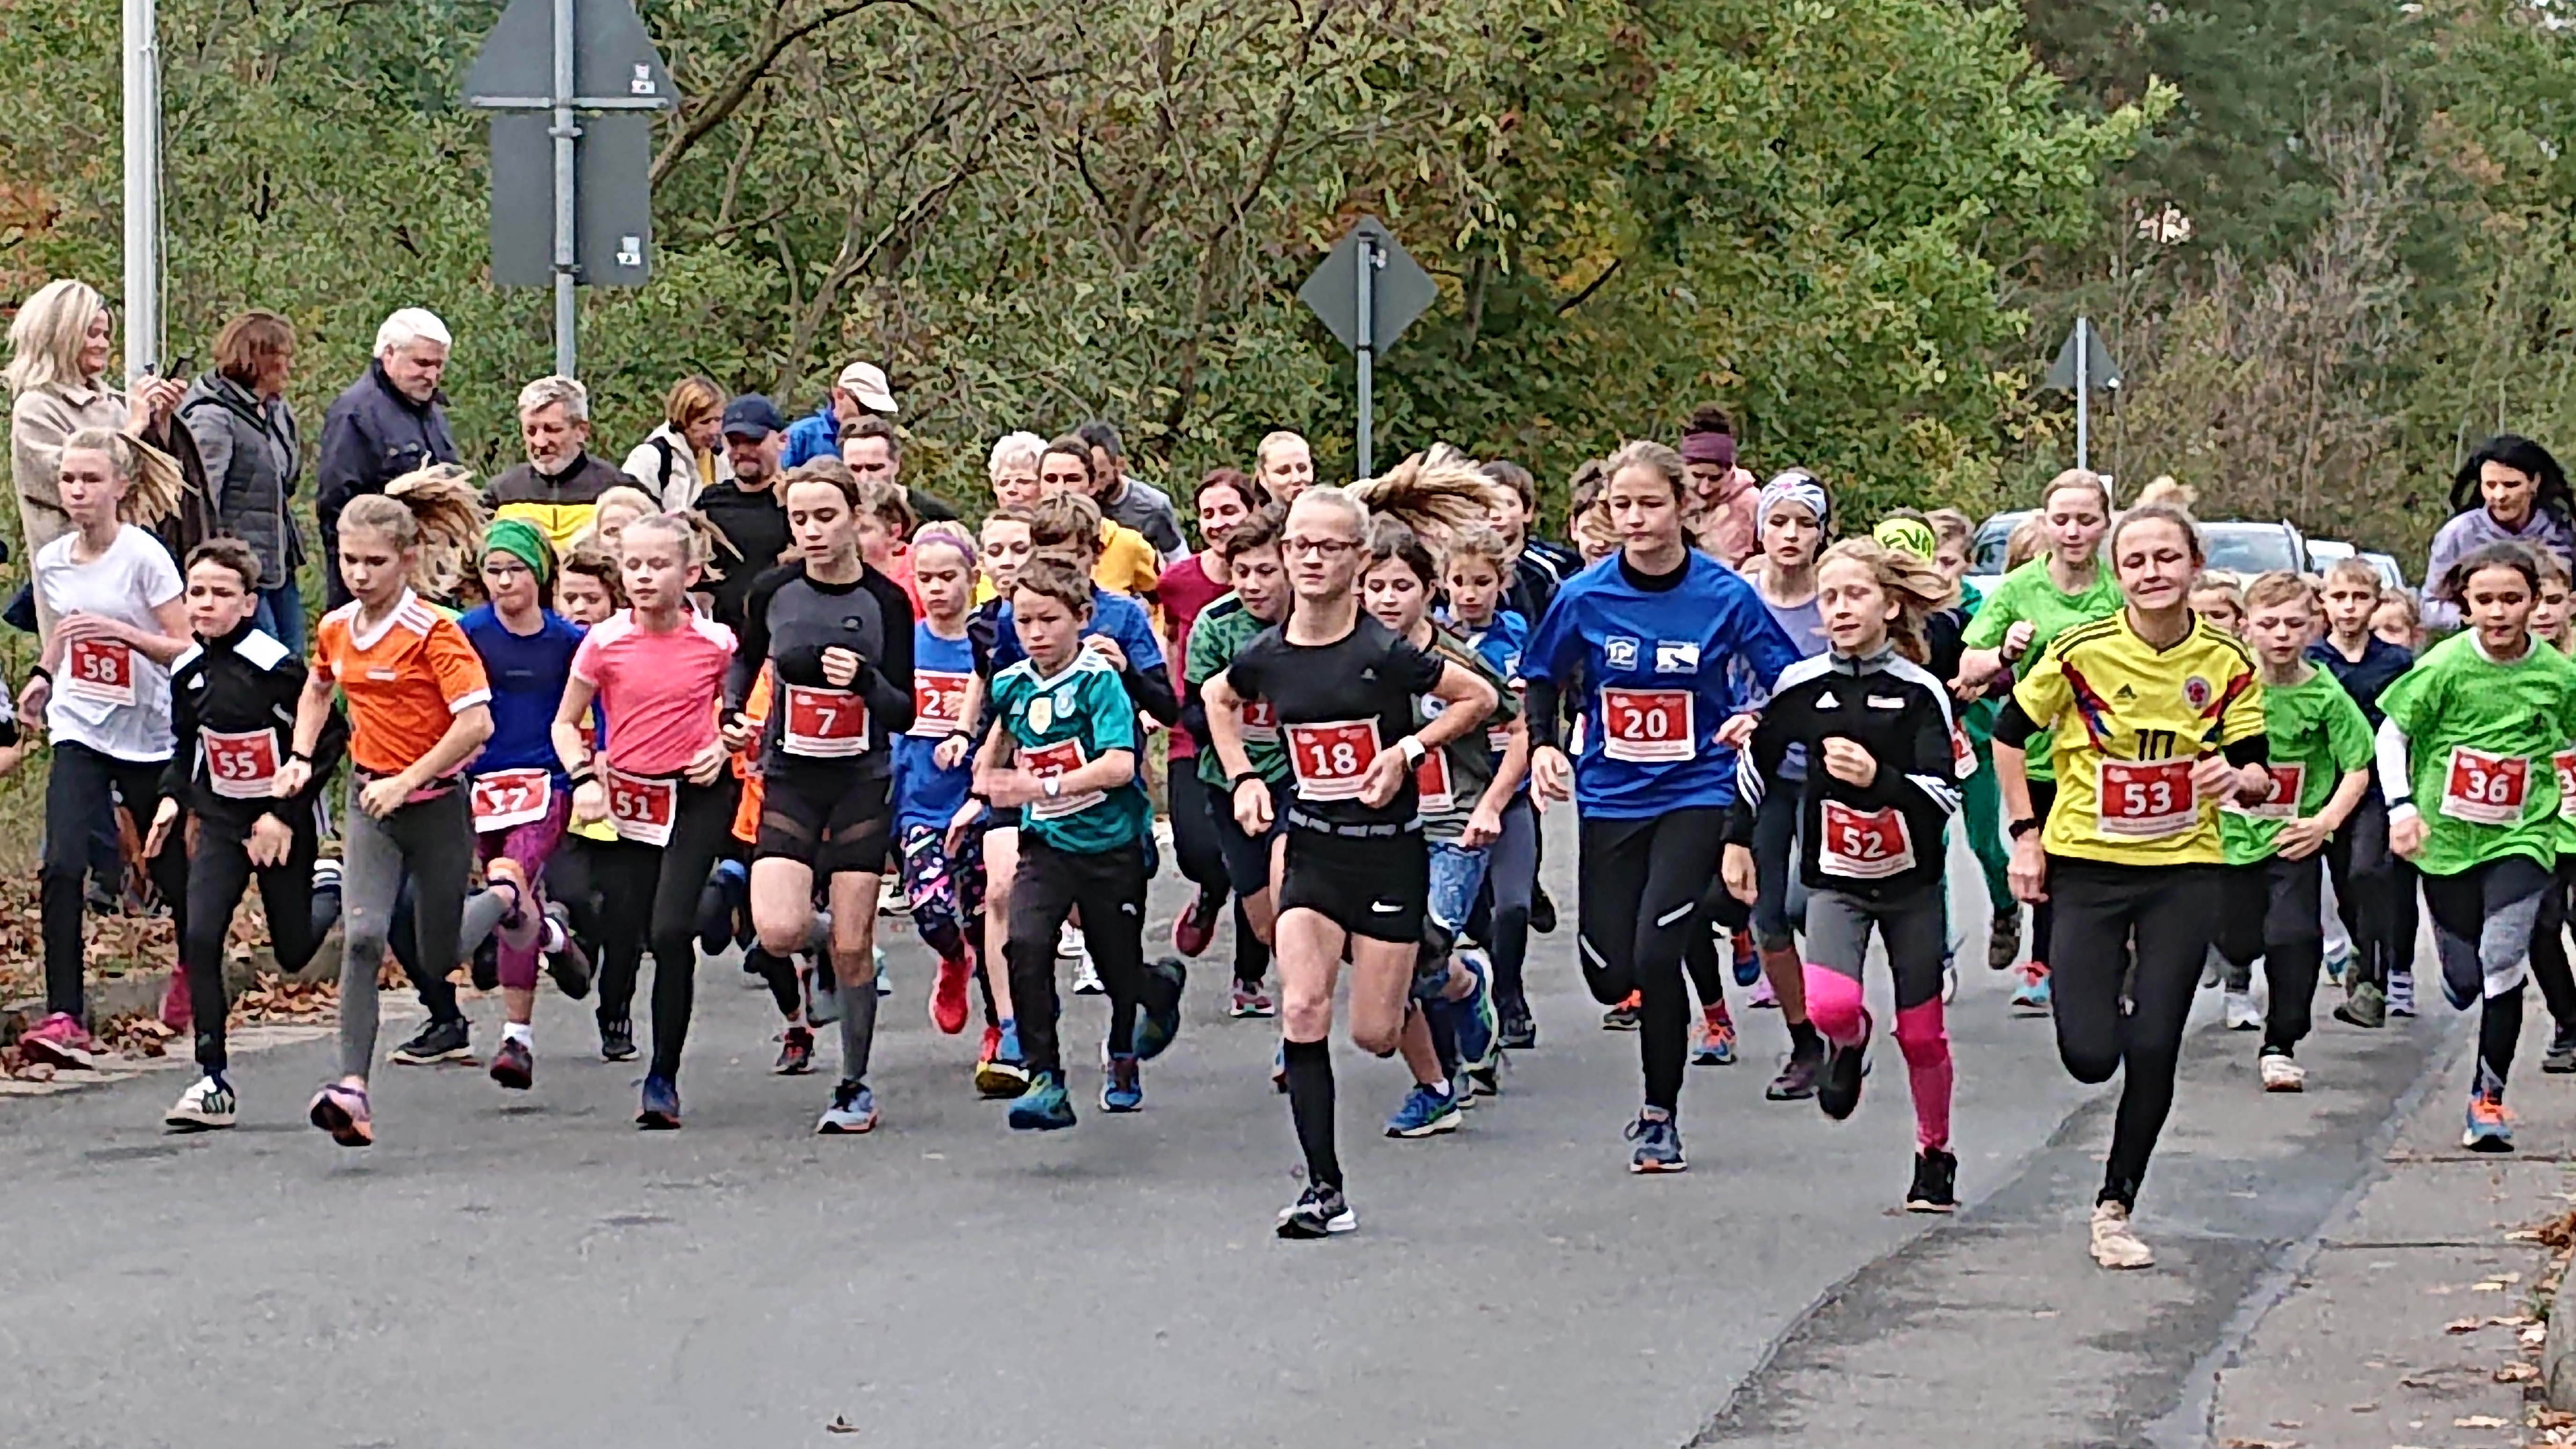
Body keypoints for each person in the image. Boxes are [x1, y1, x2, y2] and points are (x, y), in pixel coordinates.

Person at [1203, 479, 1497, 1237]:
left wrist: (1405, 749)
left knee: (1372, 1033)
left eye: (1327, 547)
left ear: (1358, 559)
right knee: (1301, 1005)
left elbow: (1478, 700)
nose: (1308, 560)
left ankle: (1455, 974)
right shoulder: (1266, 653)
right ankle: (1323, 1190)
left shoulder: (1383, 652)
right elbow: (1215, 699)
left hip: (1389, 857)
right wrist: (1241, 777)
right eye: (1297, 545)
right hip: (1311, 852)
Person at [1991, 500, 2273, 1269]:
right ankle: (2107, 983)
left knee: (2153, 1045)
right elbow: (2007, 737)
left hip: (2183, 868)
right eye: (2136, 562)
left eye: (2165, 559)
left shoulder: (2225, 660)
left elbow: (2257, 769)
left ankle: (2114, 1206)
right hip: (2086, 861)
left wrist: (2236, 778)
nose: (2151, 573)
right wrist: (2023, 836)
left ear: (2192, 567)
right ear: (2117, 575)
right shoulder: (2079, 651)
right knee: (2088, 1054)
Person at [1522, 440, 1800, 1174]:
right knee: (1612, 974)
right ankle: (1648, 1005)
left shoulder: (1724, 595)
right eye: (1621, 506)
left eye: (1650, 504)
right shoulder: (1584, 595)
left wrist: (1758, 718)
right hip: (1611, 793)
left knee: (1659, 949)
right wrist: (1546, 746)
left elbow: (1785, 681)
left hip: (1695, 791)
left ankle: (1659, 1114)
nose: (1635, 519)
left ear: (1685, 506)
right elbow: (1543, 676)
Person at [1723, 537, 1964, 1211]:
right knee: (1831, 1007)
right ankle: (1847, 1047)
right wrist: (1735, 843)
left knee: (1921, 1035)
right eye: (1829, 598)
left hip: (1912, 885)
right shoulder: (1802, 686)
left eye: (1856, 595)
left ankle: (1934, 1152)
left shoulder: (1919, 693)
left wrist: (1883, 782)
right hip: (1836, 878)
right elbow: (1756, 768)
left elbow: (1945, 793)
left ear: (1890, 606)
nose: (1840, 609)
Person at [278, 469, 518, 1146]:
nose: (359, 574)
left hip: (436, 806)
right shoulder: (336, 628)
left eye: (375, 563)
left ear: (408, 561)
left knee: (437, 955)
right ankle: (351, 1089)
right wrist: (301, 758)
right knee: (361, 938)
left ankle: (504, 899)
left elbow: (477, 726)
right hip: (370, 802)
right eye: (349, 560)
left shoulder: (434, 633)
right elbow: (318, 689)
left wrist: (409, 780)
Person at [725, 465, 917, 1134]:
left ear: (854, 518)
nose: (812, 532)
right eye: (800, 519)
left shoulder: (887, 602)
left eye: (825, 518)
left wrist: (865, 680)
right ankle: (835, 953)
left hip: (861, 780)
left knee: (854, 940)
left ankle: (854, 1084)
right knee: (776, 931)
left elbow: (905, 710)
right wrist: (730, 709)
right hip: (790, 775)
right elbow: (745, 659)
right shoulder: (774, 590)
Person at [2378, 542, 2576, 1152]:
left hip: (2524, 833)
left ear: (2535, 602)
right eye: (2485, 599)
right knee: (2466, 976)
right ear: (2464, 604)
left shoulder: (2559, 676)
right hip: (2447, 836)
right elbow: (2393, 735)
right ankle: (2455, 953)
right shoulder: (2443, 666)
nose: (2498, 612)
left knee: (2504, 959)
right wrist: (2402, 807)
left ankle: (2486, 1101)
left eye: (2512, 599)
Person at [977, 556, 1184, 1128]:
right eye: (1024, 623)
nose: (1036, 635)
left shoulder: (1100, 683)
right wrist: (984, 780)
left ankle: (1145, 1009)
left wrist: (1040, 783)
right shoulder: (1011, 684)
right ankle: (1046, 1077)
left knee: (1117, 967)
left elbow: (1119, 766)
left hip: (1111, 844)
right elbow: (992, 749)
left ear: (1082, 618)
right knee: (1024, 942)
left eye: (1049, 621)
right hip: (1046, 842)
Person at [147, 539, 347, 1128]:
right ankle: (211, 1079)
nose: (205, 605)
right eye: (196, 593)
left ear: (250, 602)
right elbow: (187, 747)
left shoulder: (276, 668)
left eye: (220, 594)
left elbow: (331, 742)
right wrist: (169, 798)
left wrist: (283, 815)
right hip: (221, 822)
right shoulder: (186, 670)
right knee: (201, 937)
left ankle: (328, 889)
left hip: (277, 823)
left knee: (291, 952)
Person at [10, 429, 194, 1068]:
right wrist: (41, 679)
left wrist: (122, 634)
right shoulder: (55, 560)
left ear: (121, 486)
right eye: (68, 481)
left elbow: (187, 645)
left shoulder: (145, 558)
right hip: (79, 725)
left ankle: (196, 968)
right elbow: (63, 636)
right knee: (62, 863)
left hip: (145, 732)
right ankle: (66, 1013)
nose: (78, 492)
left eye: (90, 480)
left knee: (167, 870)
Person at [553, 513, 742, 1128]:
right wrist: (583, 776)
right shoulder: (605, 642)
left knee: (668, 932)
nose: (643, 576)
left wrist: (726, 743)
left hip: (694, 793)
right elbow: (565, 722)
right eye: (633, 565)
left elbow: (744, 712)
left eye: (658, 565)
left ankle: (663, 1076)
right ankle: (720, 896)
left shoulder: (715, 643)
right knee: (626, 924)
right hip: (630, 796)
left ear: (688, 573)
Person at [1358, 518, 1515, 1136]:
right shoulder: (1354, 655)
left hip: (1454, 824)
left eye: (1402, 586)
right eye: (1376, 587)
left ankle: (1446, 1050)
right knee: (1403, 958)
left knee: (1423, 953)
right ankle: (1464, 992)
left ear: (1429, 591)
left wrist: (1492, 805)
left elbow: (1521, 726)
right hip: (1384, 832)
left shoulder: (1457, 661)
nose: (1388, 599)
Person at [1954, 469, 2124, 1012]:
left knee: (2102, 866)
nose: (2072, 531)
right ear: (2044, 525)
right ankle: (2044, 964)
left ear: (2103, 525)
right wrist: (2004, 652)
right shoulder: (2020, 587)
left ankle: (2109, 959)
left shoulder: (2119, 587)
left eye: (2085, 520)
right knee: (2048, 859)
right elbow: (1969, 664)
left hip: (2107, 753)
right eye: (2061, 520)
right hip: (2035, 751)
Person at [2211, 572, 2373, 1091]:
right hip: (2223, 840)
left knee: (2294, 937)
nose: (2280, 635)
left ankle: (2280, 1043)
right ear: (2245, 628)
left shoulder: (2324, 693)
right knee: (2237, 941)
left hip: (2291, 838)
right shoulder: (2224, 686)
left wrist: (2324, 822)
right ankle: (2233, 958)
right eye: (2268, 624)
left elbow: (2357, 765)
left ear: (2313, 628)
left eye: (2293, 624)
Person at [460, 519, 594, 1091]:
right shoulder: (468, 634)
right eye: (493, 571)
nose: (504, 582)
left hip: (546, 781)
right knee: (515, 901)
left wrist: (594, 767)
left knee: (509, 883)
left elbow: (596, 702)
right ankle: (555, 941)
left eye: (515, 570)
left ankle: (518, 1038)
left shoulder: (567, 641)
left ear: (538, 575)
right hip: (483, 781)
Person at [1733, 468, 1836, 1096]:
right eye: (1778, 522)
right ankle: (1805, 1043)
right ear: (1760, 528)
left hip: (1830, 776)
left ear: (1823, 534)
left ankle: (1837, 1015)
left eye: (1804, 523)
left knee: (1807, 903)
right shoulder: (1739, 594)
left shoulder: (1836, 594)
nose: (1790, 535)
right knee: (1768, 915)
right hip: (1764, 775)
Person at [7, 279, 188, 634]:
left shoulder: (114, 403)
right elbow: (72, 484)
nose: (103, 345)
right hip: (78, 576)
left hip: (132, 569)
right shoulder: (37, 408)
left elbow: (143, 488)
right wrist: (134, 428)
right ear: (61, 334)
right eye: (92, 333)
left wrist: (160, 424)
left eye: (106, 334)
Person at [1184, 503, 1292, 1019]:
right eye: (1240, 572)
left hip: (1299, 779)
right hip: (1229, 780)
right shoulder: (1215, 624)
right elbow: (1189, 709)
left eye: (1264, 572)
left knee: (1291, 891)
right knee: (1265, 919)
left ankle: (1300, 1024)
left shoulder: (1314, 619)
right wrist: (1236, 711)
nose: (1251, 584)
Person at [1440, 524, 1541, 1049]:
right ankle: (1476, 982)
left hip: (1512, 789)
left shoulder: (1518, 634)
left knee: (1513, 907)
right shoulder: (1432, 640)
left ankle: (1511, 994)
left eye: (1481, 581)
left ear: (1500, 583)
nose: (1469, 594)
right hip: (1453, 794)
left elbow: (1548, 688)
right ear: (1443, 584)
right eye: (1459, 581)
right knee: (1468, 917)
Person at [2313, 557, 2418, 1026]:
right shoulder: (2313, 660)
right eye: (2338, 598)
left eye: (2358, 599)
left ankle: (2375, 980)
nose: (2348, 609)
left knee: (2367, 873)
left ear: (2374, 604)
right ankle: (2359, 952)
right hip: (2328, 784)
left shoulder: (2394, 662)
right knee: (2342, 883)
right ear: (2323, 603)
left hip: (2377, 784)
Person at [545, 545, 641, 1058]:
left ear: (613, 603)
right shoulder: (554, 657)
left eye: (591, 599)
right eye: (570, 599)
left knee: (624, 918)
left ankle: (616, 1013)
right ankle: (574, 958)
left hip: (624, 800)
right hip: (567, 796)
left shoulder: (626, 653)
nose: (579, 610)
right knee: (574, 894)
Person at [1162, 469, 1259, 970]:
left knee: (1255, 855)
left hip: (1263, 740)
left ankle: (1249, 975)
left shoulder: (1275, 582)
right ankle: (1208, 891)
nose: (1218, 523)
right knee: (1199, 853)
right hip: (1194, 733)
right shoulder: (1177, 583)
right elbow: (1169, 642)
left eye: (1229, 511)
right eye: (1208, 514)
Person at [893, 523, 987, 1040]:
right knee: (929, 909)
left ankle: (997, 1023)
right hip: (918, 799)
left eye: (947, 577)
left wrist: (969, 716)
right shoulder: (902, 643)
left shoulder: (987, 645)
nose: (935, 589)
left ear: (972, 578)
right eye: (924, 578)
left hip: (974, 799)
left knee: (979, 913)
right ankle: (953, 958)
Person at [179, 310, 305, 652]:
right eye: (282, 359)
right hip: (235, 572)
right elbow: (201, 503)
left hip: (278, 563)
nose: (288, 369)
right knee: (261, 661)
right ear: (258, 360)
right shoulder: (213, 418)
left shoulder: (277, 413)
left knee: (289, 664)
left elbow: (285, 482)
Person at [1925, 507, 2019, 970]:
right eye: (1930, 562)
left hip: (1976, 741)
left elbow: (2004, 671)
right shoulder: (1909, 611)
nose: (1937, 574)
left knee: (1984, 843)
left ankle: (2004, 909)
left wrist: (1981, 682)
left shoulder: (1976, 610)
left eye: (1947, 562)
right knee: (1931, 849)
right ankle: (1937, 953)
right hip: (1926, 750)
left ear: (1965, 565)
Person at [316, 307, 455, 609]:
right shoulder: (355, 414)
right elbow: (337, 506)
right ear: (389, 354)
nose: (431, 375)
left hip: (430, 583)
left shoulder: (432, 414)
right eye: (422, 363)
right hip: (375, 590)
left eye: (439, 366)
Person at [2424, 436, 2576, 631]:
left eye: (2511, 485)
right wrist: (2476, 620)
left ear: (2535, 482)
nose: (2500, 496)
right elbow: (2430, 605)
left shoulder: (2563, 529)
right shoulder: (2459, 534)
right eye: (2490, 485)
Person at [487, 375, 631, 556]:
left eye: (552, 430)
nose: (540, 442)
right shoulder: (502, 492)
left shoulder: (617, 489)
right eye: (531, 431)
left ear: (581, 431)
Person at [698, 395, 791, 632]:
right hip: (723, 637)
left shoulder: (797, 501)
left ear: (782, 440)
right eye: (735, 442)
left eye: (754, 441)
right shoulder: (710, 501)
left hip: (779, 633)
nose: (743, 451)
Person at [1038, 435, 1162, 602]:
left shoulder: (1127, 543)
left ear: (1093, 485)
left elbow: (1161, 598)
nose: (1061, 488)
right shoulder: (1019, 543)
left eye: (1072, 479)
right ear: (1039, 485)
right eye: (1051, 479)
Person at [1077, 419, 1187, 562]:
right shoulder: (1073, 498)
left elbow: (1180, 560)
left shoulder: (1153, 506)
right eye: (1086, 476)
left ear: (1120, 465)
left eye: (1102, 476)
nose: (1092, 488)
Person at [621, 374, 731, 511]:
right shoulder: (652, 458)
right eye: (705, 422)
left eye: (718, 419)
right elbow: (625, 510)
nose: (714, 430)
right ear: (682, 422)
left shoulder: (723, 458)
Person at [1680, 406, 1759, 567]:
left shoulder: (1751, 504)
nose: (1705, 489)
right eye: (1697, 476)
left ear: (1730, 469)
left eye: (1715, 478)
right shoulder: (1671, 497)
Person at [784, 359, 899, 468]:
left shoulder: (880, 441)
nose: (870, 417)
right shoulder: (802, 436)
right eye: (864, 407)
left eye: (876, 411)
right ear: (840, 395)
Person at [1254, 430, 1316, 505]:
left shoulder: (1331, 514)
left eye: (1303, 469)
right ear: (1263, 478)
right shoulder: (1260, 517)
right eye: (1283, 471)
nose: (1296, 479)